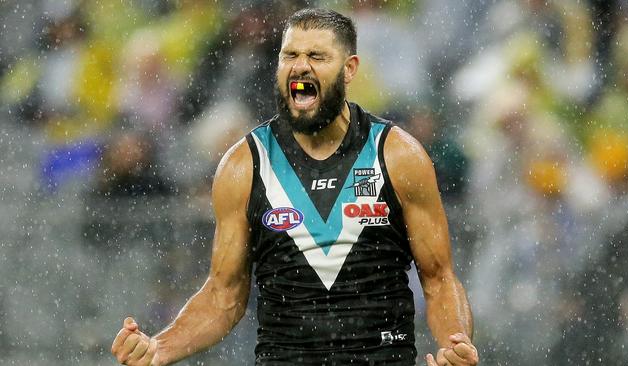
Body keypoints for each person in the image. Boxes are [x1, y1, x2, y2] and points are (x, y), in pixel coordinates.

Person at [111, 8, 478, 366]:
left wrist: (455, 345)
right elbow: (223, 296)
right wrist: (158, 348)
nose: (301, 66)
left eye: (317, 55)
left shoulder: (398, 155)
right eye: (290, 55)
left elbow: (439, 279)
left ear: (349, 69)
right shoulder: (244, 165)